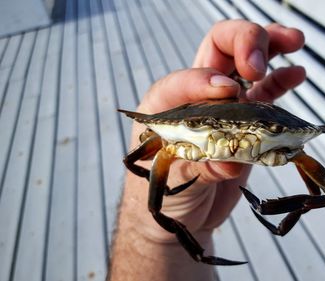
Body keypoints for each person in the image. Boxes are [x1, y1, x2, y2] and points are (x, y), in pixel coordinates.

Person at [108, 19, 306, 281]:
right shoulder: (166, 146)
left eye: (272, 128)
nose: (230, 141)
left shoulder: (172, 146)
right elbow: (134, 160)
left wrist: (152, 239)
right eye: (195, 124)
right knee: (155, 204)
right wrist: (151, 233)